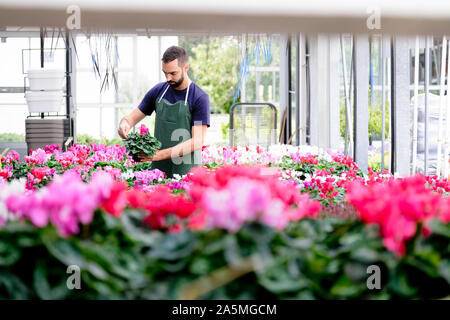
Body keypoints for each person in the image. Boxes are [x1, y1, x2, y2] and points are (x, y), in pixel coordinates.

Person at [118, 46, 210, 178]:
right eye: (165, 73)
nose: (168, 78)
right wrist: (124, 124)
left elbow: (197, 141)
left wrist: (158, 155)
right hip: (159, 170)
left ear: (186, 68)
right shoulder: (158, 91)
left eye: (173, 73)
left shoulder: (199, 97)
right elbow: (131, 118)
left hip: (188, 172)